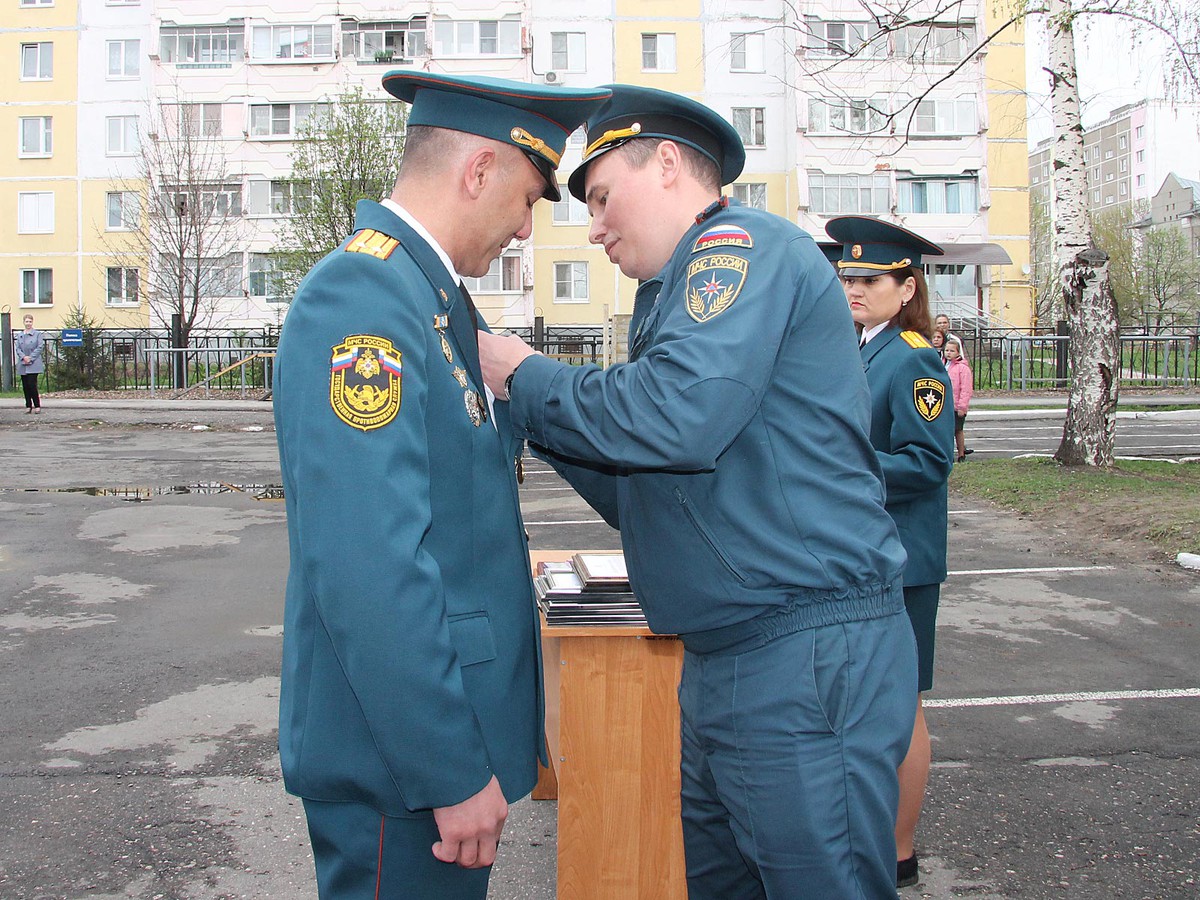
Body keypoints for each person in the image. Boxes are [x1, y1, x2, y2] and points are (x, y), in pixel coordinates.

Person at [478, 84, 917, 899]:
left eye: (604, 197)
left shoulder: (738, 248)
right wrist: (528, 413)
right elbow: (651, 491)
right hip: (735, 653)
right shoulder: (671, 295)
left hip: (800, 649)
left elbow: (676, 418)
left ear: (671, 164)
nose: (596, 225)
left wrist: (525, 375)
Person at [271, 72, 610, 900]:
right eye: (529, 199)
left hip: (436, 743)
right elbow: (368, 565)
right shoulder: (364, 298)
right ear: (479, 171)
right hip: (406, 767)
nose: (526, 229)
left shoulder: (429, 299)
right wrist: (448, 770)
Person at [826, 215, 956, 890]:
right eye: (847, 276)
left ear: (906, 288)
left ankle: (900, 850)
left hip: (904, 559)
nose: (853, 287)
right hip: (871, 556)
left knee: (901, 707)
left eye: (869, 278)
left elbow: (928, 462)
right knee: (879, 705)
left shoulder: (912, 357)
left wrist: (842, 465)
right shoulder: (866, 347)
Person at [945, 335, 975, 462]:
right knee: (947, 432)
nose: (949, 353)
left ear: (958, 352)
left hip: (957, 405)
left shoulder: (962, 368)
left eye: (952, 351)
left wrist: (962, 406)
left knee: (958, 430)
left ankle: (961, 453)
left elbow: (966, 388)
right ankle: (948, 454)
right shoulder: (944, 365)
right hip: (946, 405)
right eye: (947, 350)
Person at [16, 314, 44, 414]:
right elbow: (18, 348)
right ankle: (28, 405)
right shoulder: (20, 335)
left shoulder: (37, 334)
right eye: (26, 321)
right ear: (24, 322)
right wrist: (24, 357)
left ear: (32, 322)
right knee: (25, 386)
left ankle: (37, 405)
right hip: (23, 363)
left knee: (32, 384)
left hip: (34, 363)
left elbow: (40, 347)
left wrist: (30, 357)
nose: (28, 323)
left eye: (30, 322)